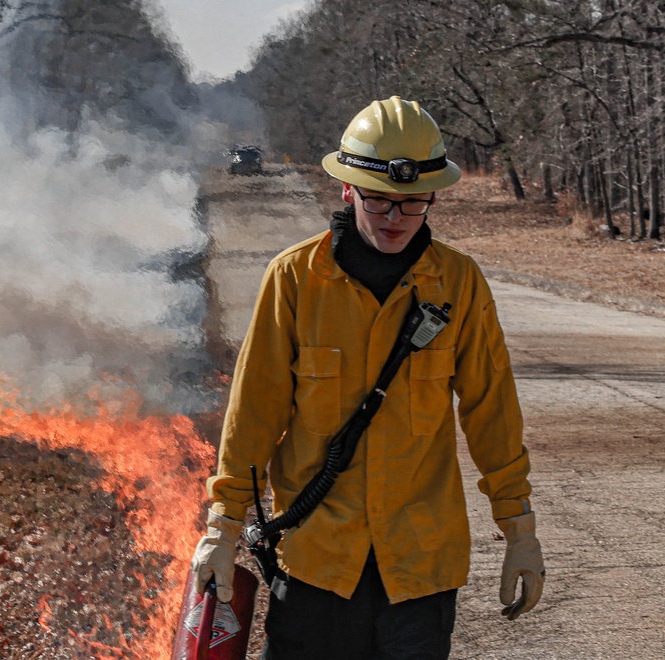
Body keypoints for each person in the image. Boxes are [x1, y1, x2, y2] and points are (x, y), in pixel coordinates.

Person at [191, 96, 545, 659]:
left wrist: (520, 531)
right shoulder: (295, 279)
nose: (394, 220)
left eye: (412, 205)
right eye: (379, 202)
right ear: (347, 190)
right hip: (316, 566)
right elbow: (254, 415)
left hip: (421, 570)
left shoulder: (457, 283)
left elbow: (492, 411)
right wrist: (223, 526)